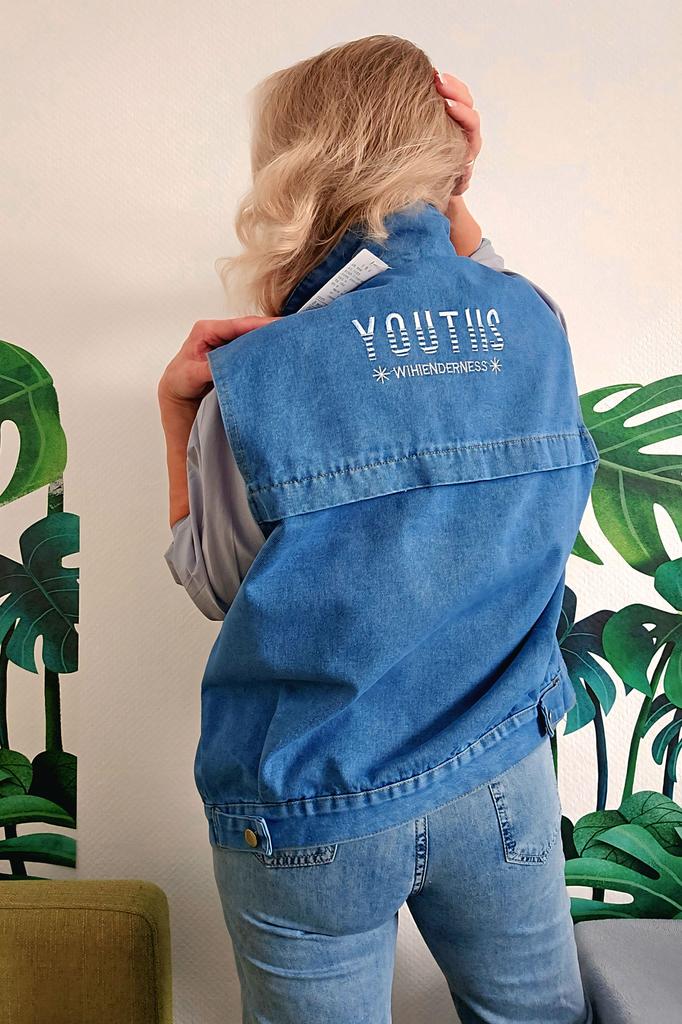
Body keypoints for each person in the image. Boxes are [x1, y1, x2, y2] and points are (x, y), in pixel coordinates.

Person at [158, 35, 597, 1024]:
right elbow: (473, 284)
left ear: (292, 166)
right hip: (500, 770)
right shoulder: (538, 323)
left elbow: (220, 587)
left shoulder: (253, 378)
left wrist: (176, 415)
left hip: (316, 800)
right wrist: (456, 186)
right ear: (446, 164)